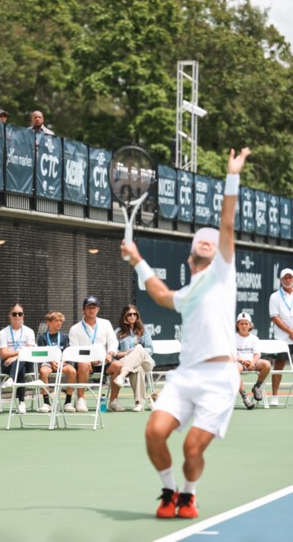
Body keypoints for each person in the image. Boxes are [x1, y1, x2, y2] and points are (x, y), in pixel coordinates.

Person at [120, 147, 250, 519]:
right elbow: (160, 294)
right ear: (191, 257)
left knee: (193, 449)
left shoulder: (223, 275)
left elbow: (226, 224)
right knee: (153, 432)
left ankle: (189, 494)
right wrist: (138, 259)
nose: (210, 242)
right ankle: (168, 490)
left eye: (214, 243)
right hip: (186, 375)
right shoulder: (189, 292)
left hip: (219, 378)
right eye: (202, 243)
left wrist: (232, 175)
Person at [69, 295, 123, 412]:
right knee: (83, 365)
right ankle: (81, 399)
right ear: (83, 309)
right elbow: (74, 350)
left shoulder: (106, 323)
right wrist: (88, 358)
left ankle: (113, 401)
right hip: (86, 362)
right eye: (89, 307)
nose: (91, 310)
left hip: (104, 361)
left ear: (98, 309)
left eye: (94, 307)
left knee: (118, 366)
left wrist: (110, 353)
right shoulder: (75, 328)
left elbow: (113, 341)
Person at [114, 304, 155, 412]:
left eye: (134, 314)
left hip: (146, 361)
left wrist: (137, 352)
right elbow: (114, 352)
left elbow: (150, 349)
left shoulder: (143, 330)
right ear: (125, 317)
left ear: (137, 316)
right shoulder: (118, 332)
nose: (132, 316)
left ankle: (121, 376)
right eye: (129, 314)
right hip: (127, 362)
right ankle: (139, 403)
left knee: (139, 348)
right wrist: (126, 354)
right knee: (138, 368)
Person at [0, 303, 35, 414]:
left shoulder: (29, 331)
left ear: (23, 315)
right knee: (21, 368)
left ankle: (11, 379)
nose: (17, 316)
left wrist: (15, 357)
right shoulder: (3, 332)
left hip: (25, 362)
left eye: (20, 313)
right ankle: (22, 403)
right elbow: (3, 354)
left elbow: (29, 352)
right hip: (7, 364)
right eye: (14, 314)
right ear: (10, 315)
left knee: (23, 358)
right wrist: (18, 354)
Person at [37, 311, 76, 413]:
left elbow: (67, 352)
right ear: (48, 322)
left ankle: (68, 402)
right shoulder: (42, 337)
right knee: (43, 372)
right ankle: (46, 403)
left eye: (60, 321)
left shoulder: (64, 337)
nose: (59, 323)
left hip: (62, 363)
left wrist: (62, 362)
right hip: (48, 363)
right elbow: (42, 353)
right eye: (56, 321)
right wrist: (51, 362)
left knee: (72, 371)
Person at [235, 311, 271, 409]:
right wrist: (243, 362)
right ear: (237, 325)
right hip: (239, 363)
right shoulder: (232, 337)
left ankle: (257, 387)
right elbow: (232, 354)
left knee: (267, 364)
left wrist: (252, 363)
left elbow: (257, 354)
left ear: (250, 325)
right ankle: (244, 397)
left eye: (246, 324)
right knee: (234, 369)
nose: (244, 326)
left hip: (252, 363)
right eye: (241, 323)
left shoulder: (254, 338)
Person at [269, 268, 293, 406]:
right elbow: (275, 317)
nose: (288, 280)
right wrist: (290, 331)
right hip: (281, 338)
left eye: (290, 277)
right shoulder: (275, 296)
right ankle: (275, 397)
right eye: (285, 278)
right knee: (279, 365)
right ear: (281, 280)